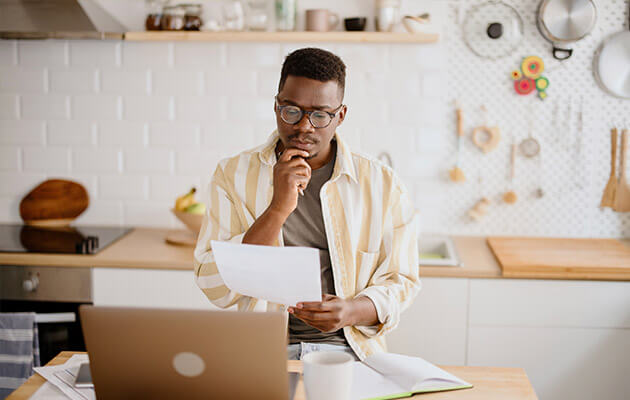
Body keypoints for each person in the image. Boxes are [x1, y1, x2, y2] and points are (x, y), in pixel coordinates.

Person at [194, 47, 420, 361]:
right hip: (262, 353)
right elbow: (213, 283)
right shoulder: (232, 175)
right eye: (292, 111)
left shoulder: (381, 183)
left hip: (348, 352)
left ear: (340, 116)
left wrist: (351, 311)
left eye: (320, 115)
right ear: (276, 107)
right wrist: (277, 209)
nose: (304, 126)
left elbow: (402, 280)